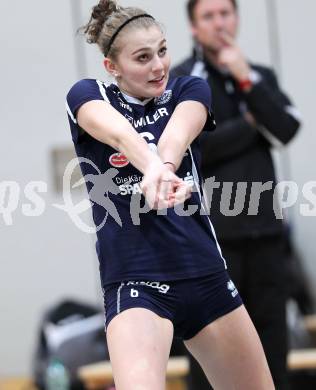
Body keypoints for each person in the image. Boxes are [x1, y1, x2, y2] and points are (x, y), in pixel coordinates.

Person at [66, 1, 275, 389]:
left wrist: (163, 166)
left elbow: (179, 133)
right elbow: (118, 134)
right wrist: (151, 169)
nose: (158, 66)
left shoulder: (188, 87)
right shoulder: (87, 93)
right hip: (136, 282)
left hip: (204, 274)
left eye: (162, 50)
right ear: (113, 67)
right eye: (142, 57)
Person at [171, 0, 301, 389]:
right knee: (212, 348)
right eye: (208, 16)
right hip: (213, 238)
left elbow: (287, 128)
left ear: (237, 18)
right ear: (194, 27)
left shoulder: (259, 75)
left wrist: (246, 81)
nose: (220, 23)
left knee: (272, 345)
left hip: (265, 234)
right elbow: (194, 148)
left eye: (225, 13)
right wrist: (250, 123)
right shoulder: (183, 80)